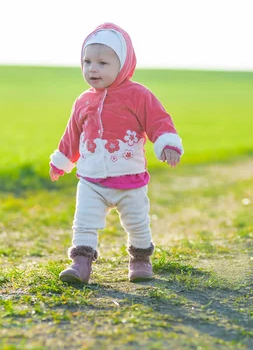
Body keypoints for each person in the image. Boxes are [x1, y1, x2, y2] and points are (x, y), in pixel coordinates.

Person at [49, 22, 183, 283]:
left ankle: (141, 260)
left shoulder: (138, 95)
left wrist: (167, 144)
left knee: (137, 223)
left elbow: (158, 121)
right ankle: (80, 265)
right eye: (87, 62)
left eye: (102, 63)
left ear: (122, 65)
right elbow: (72, 134)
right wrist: (62, 161)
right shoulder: (83, 101)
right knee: (84, 223)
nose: (92, 69)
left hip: (128, 178)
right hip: (91, 180)